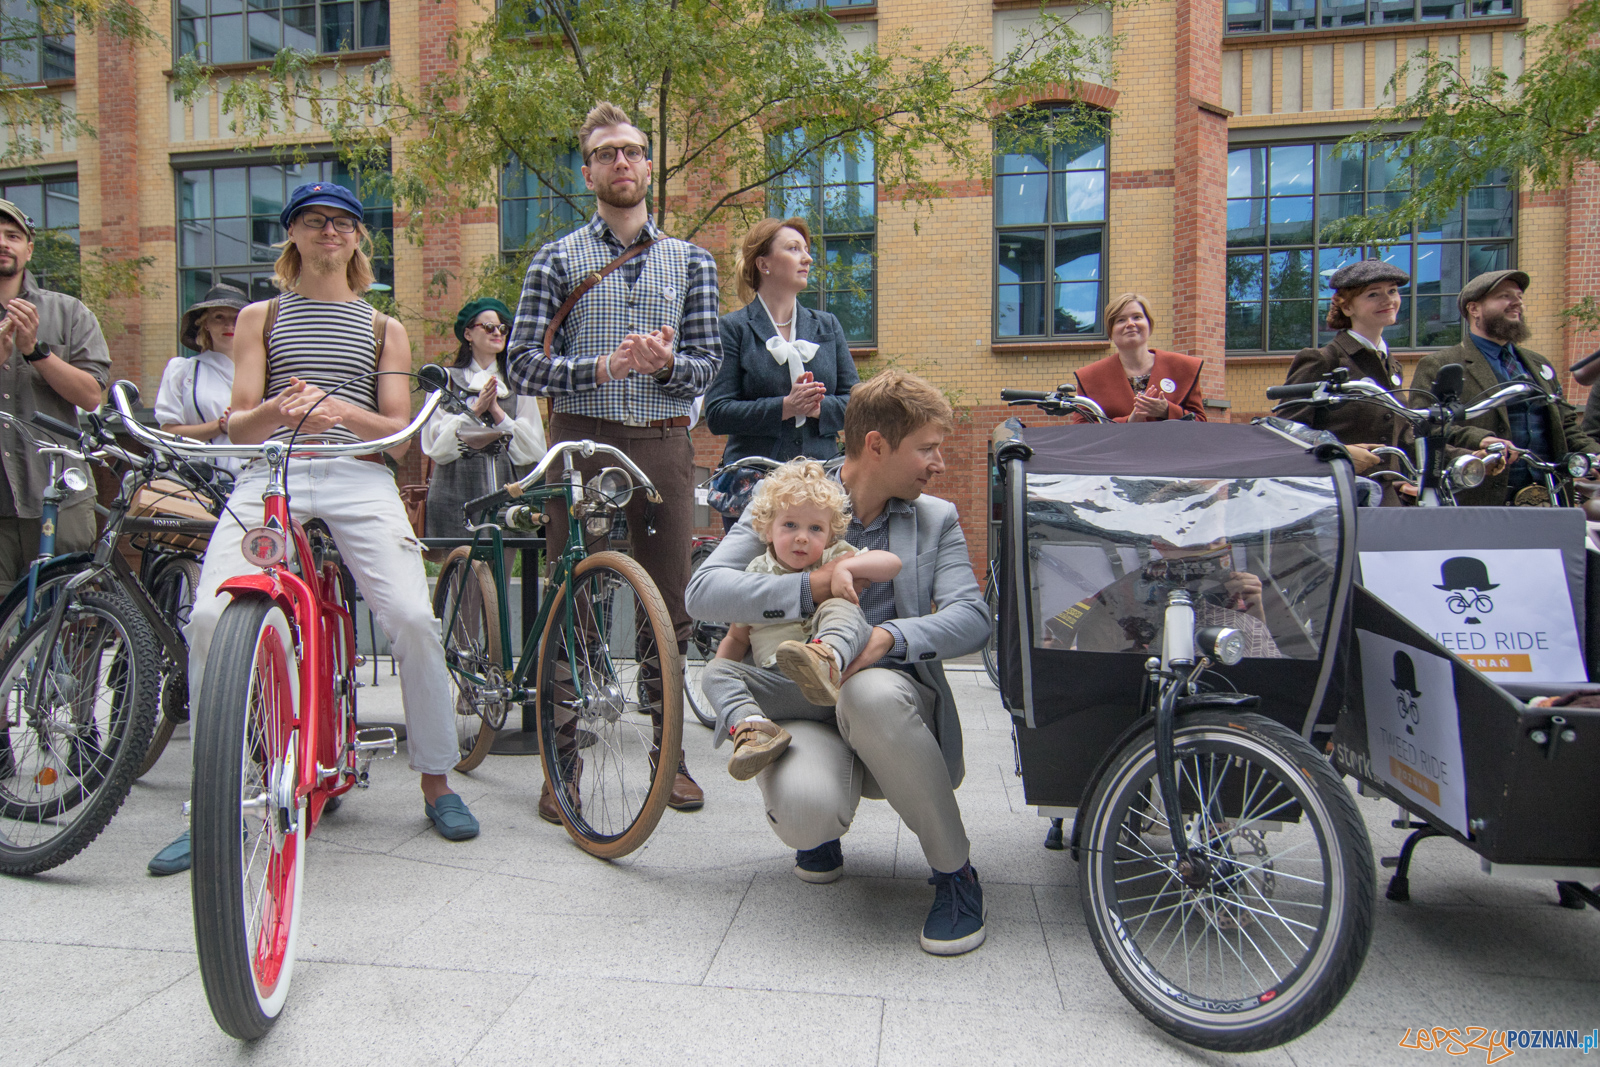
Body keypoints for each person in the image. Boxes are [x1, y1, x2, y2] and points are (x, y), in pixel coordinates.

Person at [147, 181, 479, 876]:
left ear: (358, 238)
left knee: (413, 618)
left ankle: (437, 779)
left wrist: (338, 411)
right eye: (314, 220)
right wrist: (279, 411)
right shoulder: (260, 317)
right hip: (273, 468)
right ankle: (214, 800)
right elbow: (240, 425)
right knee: (208, 618)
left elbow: (395, 435)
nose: (330, 231)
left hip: (358, 474)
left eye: (343, 222)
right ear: (292, 233)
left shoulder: (383, 327)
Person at [685, 370, 992, 957]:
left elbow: (972, 618)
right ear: (876, 445)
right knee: (805, 811)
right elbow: (703, 592)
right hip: (799, 700)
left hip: (888, 702)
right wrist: (812, 586)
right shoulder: (791, 496)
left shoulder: (936, 518)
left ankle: (956, 874)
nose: (939, 464)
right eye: (927, 448)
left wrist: (889, 638)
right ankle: (820, 832)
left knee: (866, 692)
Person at [507, 101, 722, 818]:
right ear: (588, 172)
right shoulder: (555, 258)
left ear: (649, 166)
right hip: (581, 439)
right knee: (571, 600)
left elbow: (706, 365)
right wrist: (599, 368)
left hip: (663, 441)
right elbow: (520, 364)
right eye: (606, 153)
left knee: (669, 604)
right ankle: (560, 766)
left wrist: (665, 367)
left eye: (631, 150)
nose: (621, 162)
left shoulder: (692, 260)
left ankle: (671, 758)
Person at [701, 459, 901, 780]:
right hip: (779, 686)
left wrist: (846, 568)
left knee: (841, 606)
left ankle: (825, 656)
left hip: (836, 682)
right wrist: (723, 686)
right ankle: (755, 728)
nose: (803, 537)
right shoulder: (755, 575)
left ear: (831, 534)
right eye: (790, 525)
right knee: (714, 671)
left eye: (815, 528)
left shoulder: (833, 558)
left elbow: (891, 564)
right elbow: (736, 638)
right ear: (767, 529)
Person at [705, 217, 859, 528]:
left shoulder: (827, 326)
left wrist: (817, 407)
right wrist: (785, 407)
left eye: (806, 249)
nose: (808, 258)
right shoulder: (733, 328)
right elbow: (717, 413)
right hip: (754, 492)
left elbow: (857, 405)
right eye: (793, 248)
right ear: (764, 264)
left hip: (820, 488)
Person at [1410, 269, 1600, 506]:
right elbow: (1422, 427)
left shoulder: (1539, 364)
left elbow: (1566, 424)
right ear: (1474, 309)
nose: (1517, 303)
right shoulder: (1440, 364)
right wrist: (1481, 439)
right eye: (1504, 296)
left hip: (1550, 496)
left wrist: (1594, 453)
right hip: (1481, 498)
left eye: (1519, 296)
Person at [0, 196, 109, 597]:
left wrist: (36, 352)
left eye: (12, 235)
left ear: (29, 250)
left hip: (59, 495)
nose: (3, 243)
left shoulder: (69, 312)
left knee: (66, 612)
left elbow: (92, 396)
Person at [1278, 260, 1418, 504]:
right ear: (1346, 306)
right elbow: (1284, 433)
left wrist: (1469, 456)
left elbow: (1405, 436)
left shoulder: (1391, 365)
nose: (1388, 300)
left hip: (1384, 502)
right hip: (1334, 499)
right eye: (1373, 294)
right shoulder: (1323, 359)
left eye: (1393, 291)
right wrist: (1338, 453)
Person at [419, 296, 546, 537]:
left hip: (506, 492)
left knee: (503, 558)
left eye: (502, 328)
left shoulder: (516, 384)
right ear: (468, 334)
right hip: (454, 491)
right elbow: (436, 447)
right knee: (460, 560)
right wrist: (475, 410)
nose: (497, 333)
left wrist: (497, 412)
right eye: (488, 327)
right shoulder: (445, 380)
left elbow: (534, 450)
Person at [154, 283, 249, 475]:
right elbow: (169, 433)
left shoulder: (268, 370)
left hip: (259, 476)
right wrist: (220, 426)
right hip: (204, 480)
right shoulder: (183, 371)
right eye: (219, 317)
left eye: (237, 317)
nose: (229, 325)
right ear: (205, 323)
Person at [1072, 293, 1205, 422]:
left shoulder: (1183, 368)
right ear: (1110, 332)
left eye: (1137, 317)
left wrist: (1167, 411)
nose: (1130, 324)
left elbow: (1201, 422)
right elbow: (1082, 430)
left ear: (1149, 325)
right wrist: (1129, 421)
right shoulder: (1091, 377)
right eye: (1121, 320)